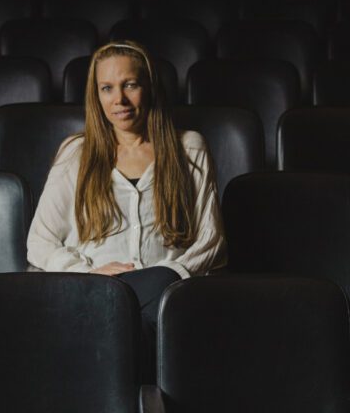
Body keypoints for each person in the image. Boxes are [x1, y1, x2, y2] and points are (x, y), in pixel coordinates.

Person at [27, 40, 226, 369]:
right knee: (127, 322)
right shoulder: (76, 153)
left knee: (145, 315)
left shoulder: (189, 148)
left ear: (149, 87)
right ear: (96, 95)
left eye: (130, 85)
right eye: (107, 88)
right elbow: (40, 242)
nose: (118, 100)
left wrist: (167, 276)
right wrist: (88, 273)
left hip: (170, 298)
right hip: (95, 296)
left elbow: (212, 242)